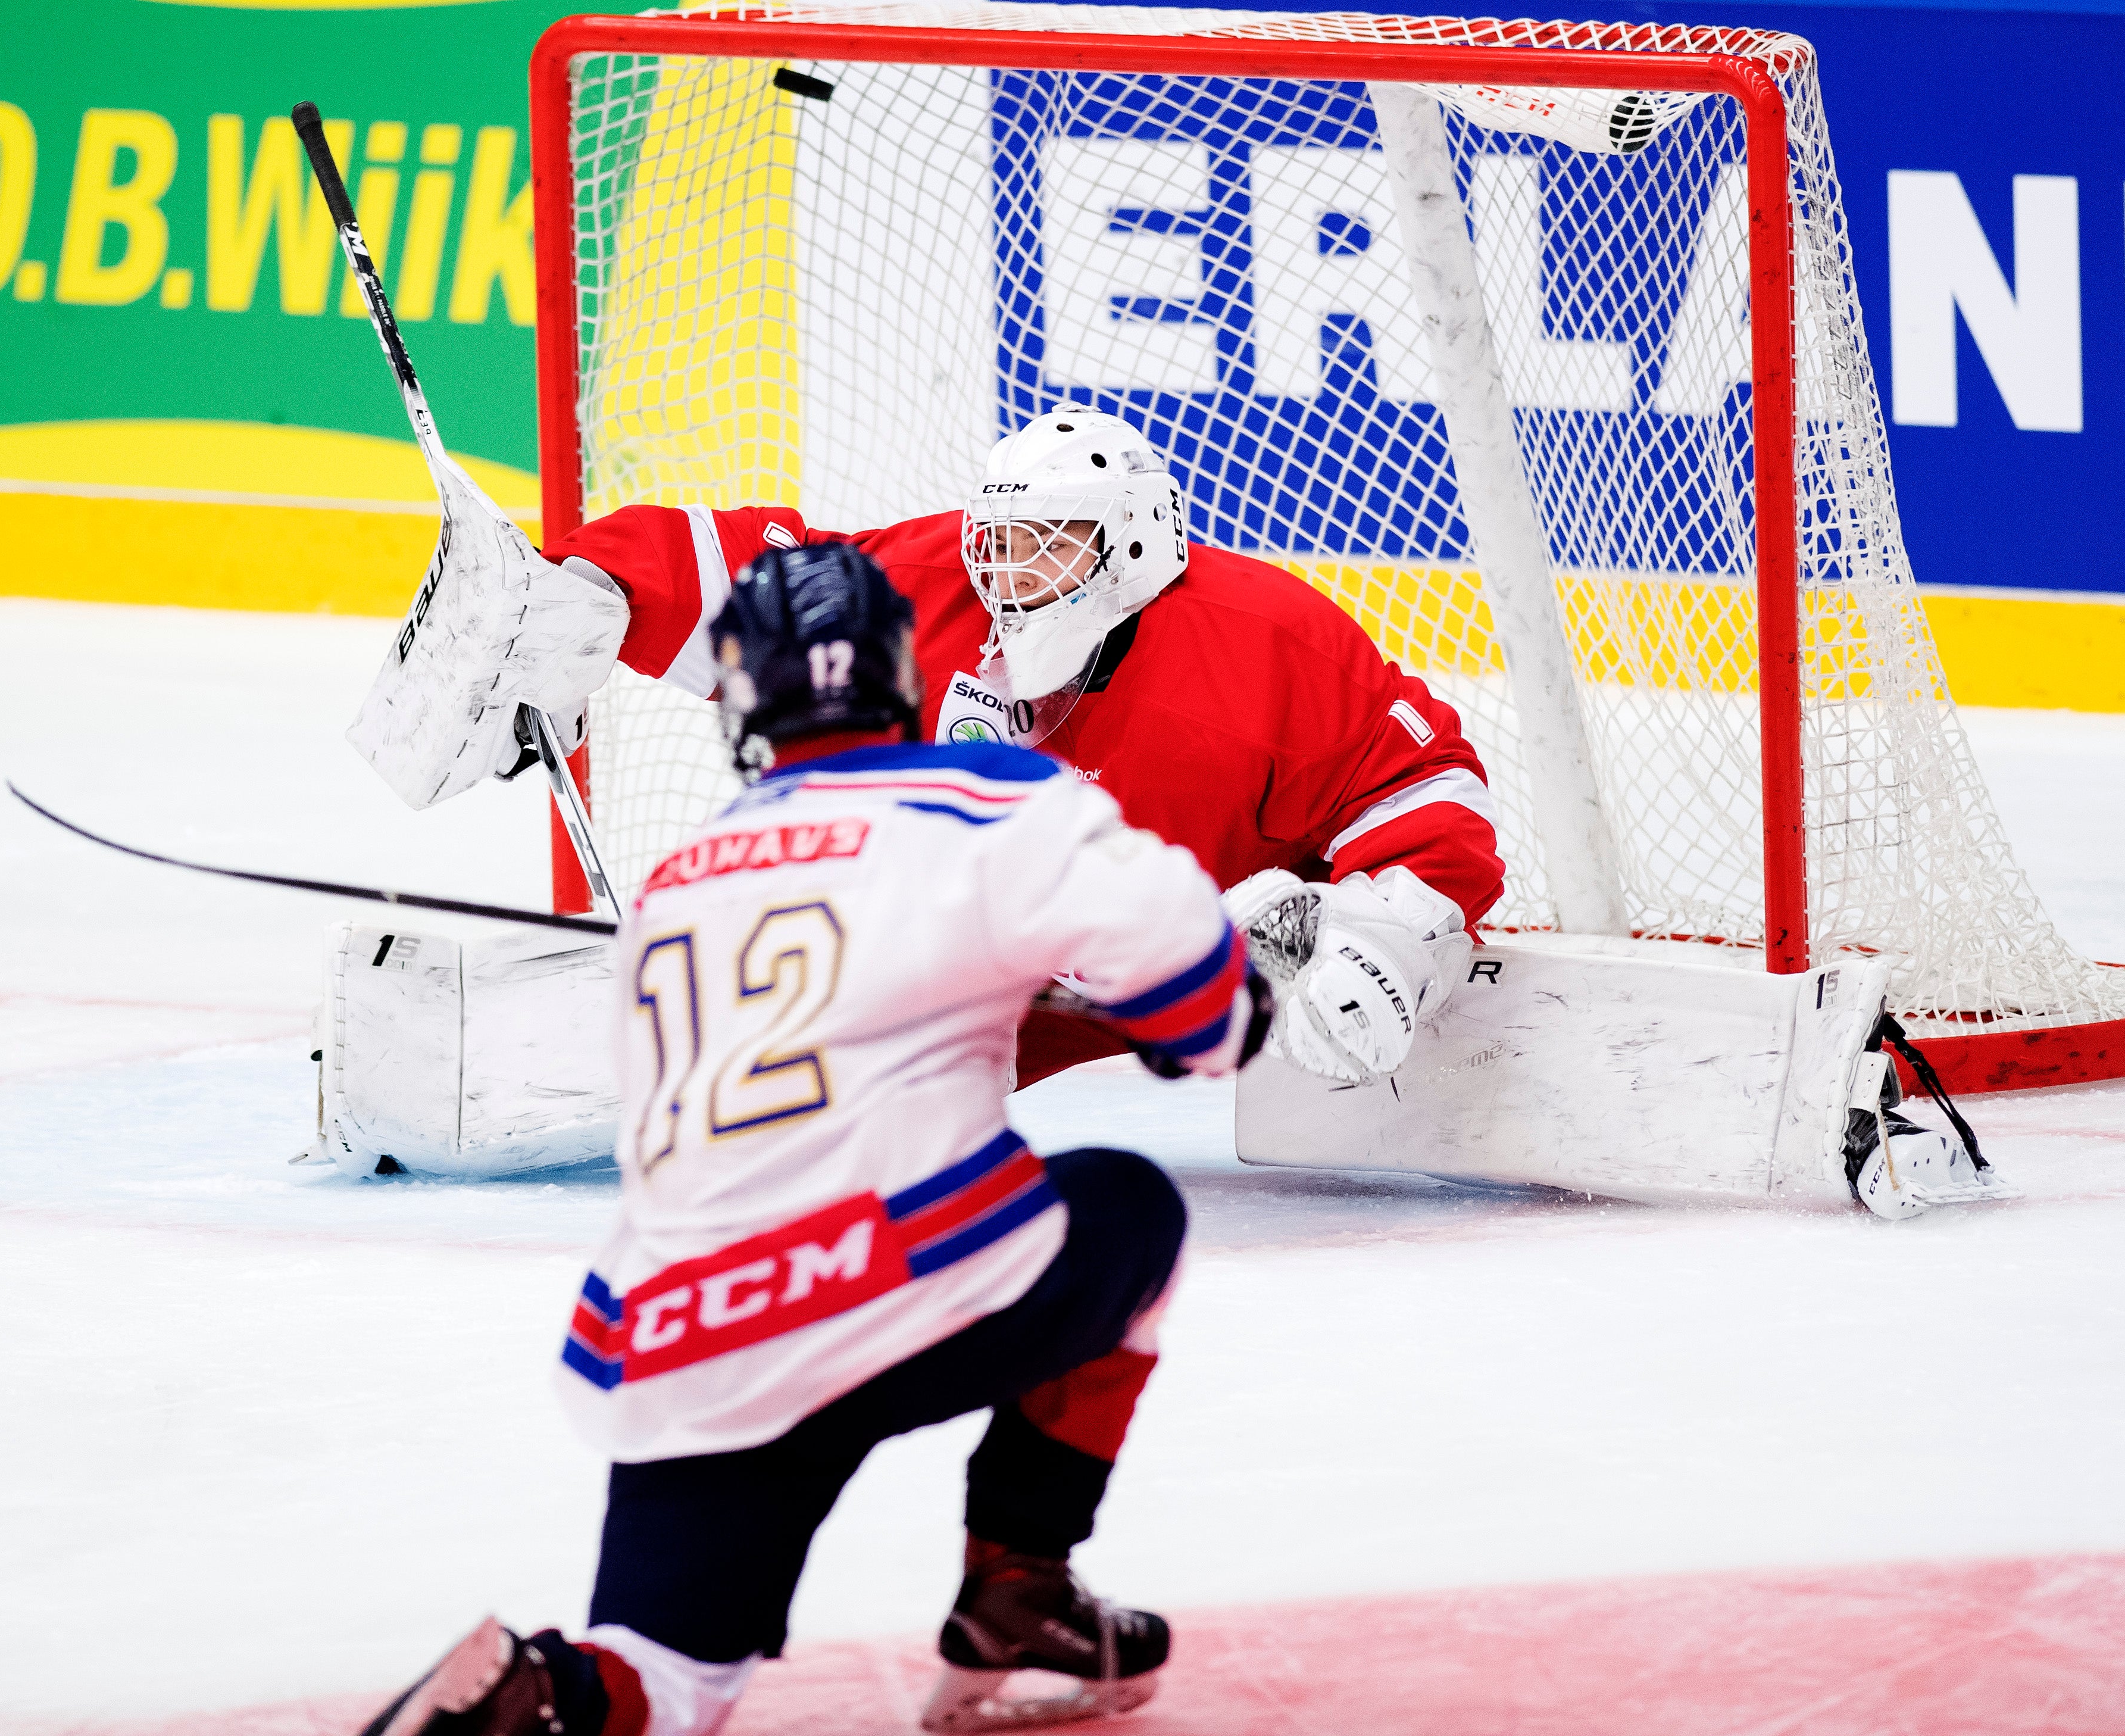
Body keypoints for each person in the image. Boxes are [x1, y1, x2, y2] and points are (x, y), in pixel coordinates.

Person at [359, 541, 1272, 1736]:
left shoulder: (680, 882)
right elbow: (1206, 1010)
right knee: (1128, 1211)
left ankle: (531, 1694)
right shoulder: (989, 800)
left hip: (679, 1337)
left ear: (739, 702)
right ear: (901, 672)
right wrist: (1205, 1000)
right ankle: (1020, 1576)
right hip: (904, 1282)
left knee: (660, 1689)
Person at [544, 408, 1504, 1090]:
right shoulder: (934, 587)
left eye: (1043, 544)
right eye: (995, 543)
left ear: (1130, 543)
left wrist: (1383, 935)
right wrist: (594, 592)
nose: (1005, 574)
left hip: (1190, 997)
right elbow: (758, 575)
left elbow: (1424, 787)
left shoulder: (1265, 641)